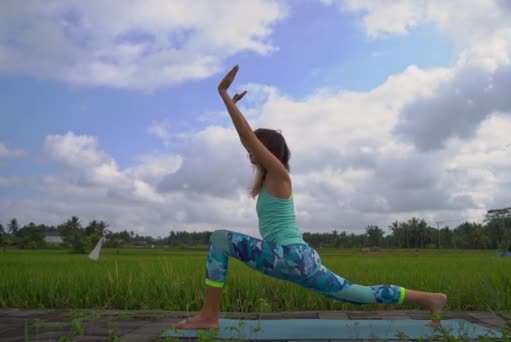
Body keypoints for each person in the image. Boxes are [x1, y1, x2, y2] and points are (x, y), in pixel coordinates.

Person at [174, 65, 447, 330]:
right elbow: (247, 138)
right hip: (299, 259)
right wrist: (236, 109)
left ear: (267, 150)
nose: (248, 152)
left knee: (220, 240)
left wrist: (224, 96)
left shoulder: (280, 176)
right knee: (359, 295)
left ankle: (209, 316)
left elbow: (247, 138)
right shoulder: (270, 179)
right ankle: (431, 299)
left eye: (255, 147)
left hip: (290, 256)